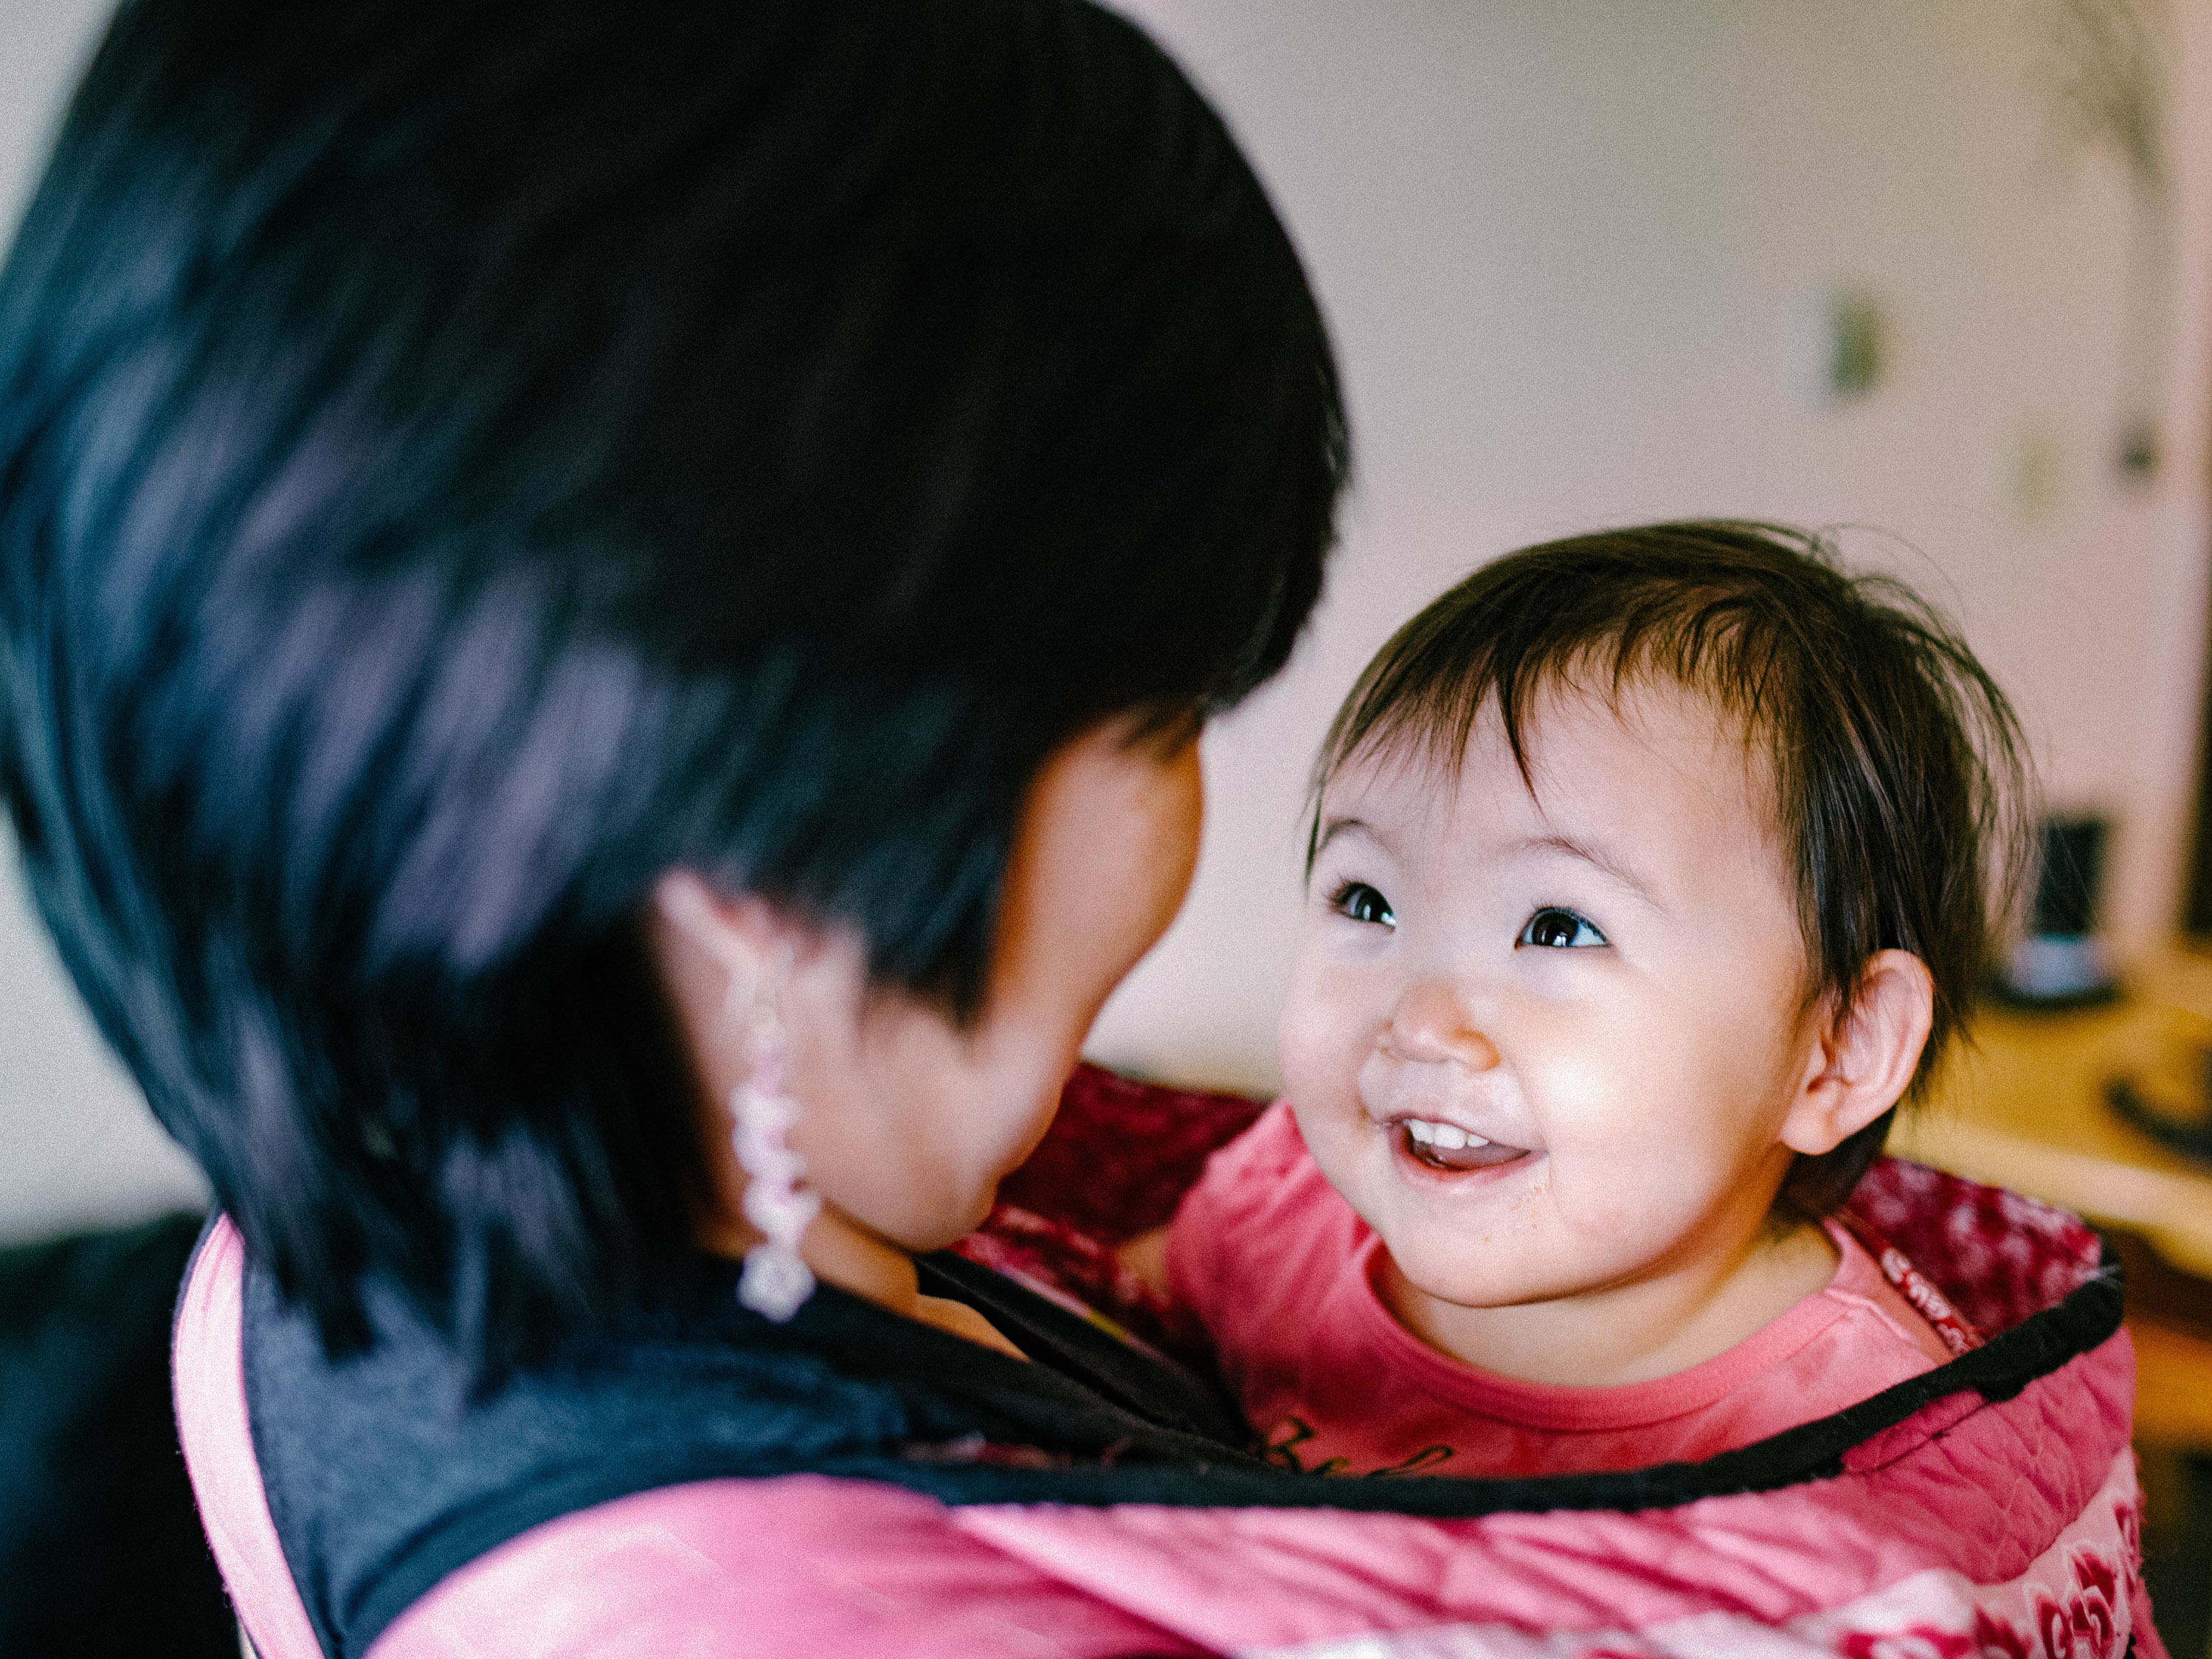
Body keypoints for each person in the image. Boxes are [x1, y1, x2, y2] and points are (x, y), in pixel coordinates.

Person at [0, 0, 2160, 1646]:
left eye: (1563, 926)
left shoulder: (323, 1265)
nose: (1421, 1007)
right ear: (780, 815)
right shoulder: (787, 1577)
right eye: (1162, 716)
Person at [1135, 521, 2054, 1479]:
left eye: (1557, 926)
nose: (1417, 1019)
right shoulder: (1275, 1211)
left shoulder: (1878, 1448)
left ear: (1837, 1048)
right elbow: (1089, 1343)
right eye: (1366, 900)